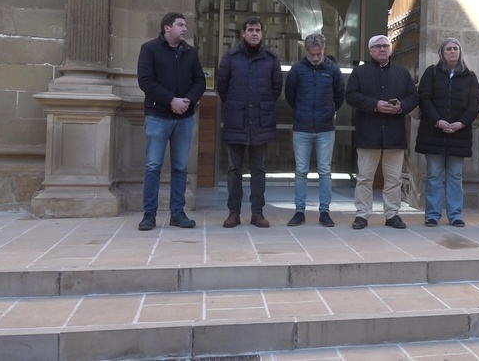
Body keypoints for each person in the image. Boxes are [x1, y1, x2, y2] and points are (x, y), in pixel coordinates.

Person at [136, 12, 206, 231]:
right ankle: (149, 215)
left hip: (184, 119)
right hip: (158, 116)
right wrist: (171, 100)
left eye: (186, 25)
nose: (185, 29)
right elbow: (145, 81)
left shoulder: (190, 53)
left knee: (180, 167)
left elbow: (200, 81)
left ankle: (178, 213)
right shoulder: (150, 49)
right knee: (153, 166)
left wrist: (189, 100)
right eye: (180, 25)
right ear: (167, 28)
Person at [345, 34, 419, 230]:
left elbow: (414, 97)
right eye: (377, 46)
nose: (382, 49)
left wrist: (401, 106)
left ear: (390, 49)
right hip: (368, 134)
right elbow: (351, 96)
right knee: (364, 178)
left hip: (394, 135)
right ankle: (362, 214)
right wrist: (374, 105)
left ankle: (392, 214)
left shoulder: (402, 73)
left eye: (385, 45)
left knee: (393, 179)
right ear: (371, 51)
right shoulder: (359, 73)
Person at [216, 17, 282, 229]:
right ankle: (233, 213)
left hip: (261, 121)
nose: (254, 33)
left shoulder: (271, 58)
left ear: (262, 34)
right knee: (234, 168)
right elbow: (222, 86)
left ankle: (257, 213)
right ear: (243, 33)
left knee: (258, 169)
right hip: (236, 119)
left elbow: (276, 88)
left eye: (258, 30)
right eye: (250, 30)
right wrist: (237, 105)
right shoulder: (230, 57)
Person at [416, 38, 479, 228]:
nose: (452, 52)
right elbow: (424, 99)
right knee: (434, 175)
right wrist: (438, 121)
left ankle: (455, 215)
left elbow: (475, 104)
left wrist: (461, 123)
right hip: (433, 133)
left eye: (455, 49)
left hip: (458, 134)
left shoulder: (470, 76)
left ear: (460, 52)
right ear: (442, 53)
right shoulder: (432, 72)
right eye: (448, 49)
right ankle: (432, 215)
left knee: (455, 176)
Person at [284, 33, 345, 227]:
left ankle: (324, 212)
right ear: (306, 52)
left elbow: (339, 96)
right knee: (301, 171)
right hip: (302, 127)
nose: (316, 57)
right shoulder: (297, 70)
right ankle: (299, 211)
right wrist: (302, 112)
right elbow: (290, 96)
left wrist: (328, 112)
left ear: (324, 50)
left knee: (325, 171)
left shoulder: (333, 70)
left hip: (325, 128)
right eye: (312, 54)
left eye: (319, 53)